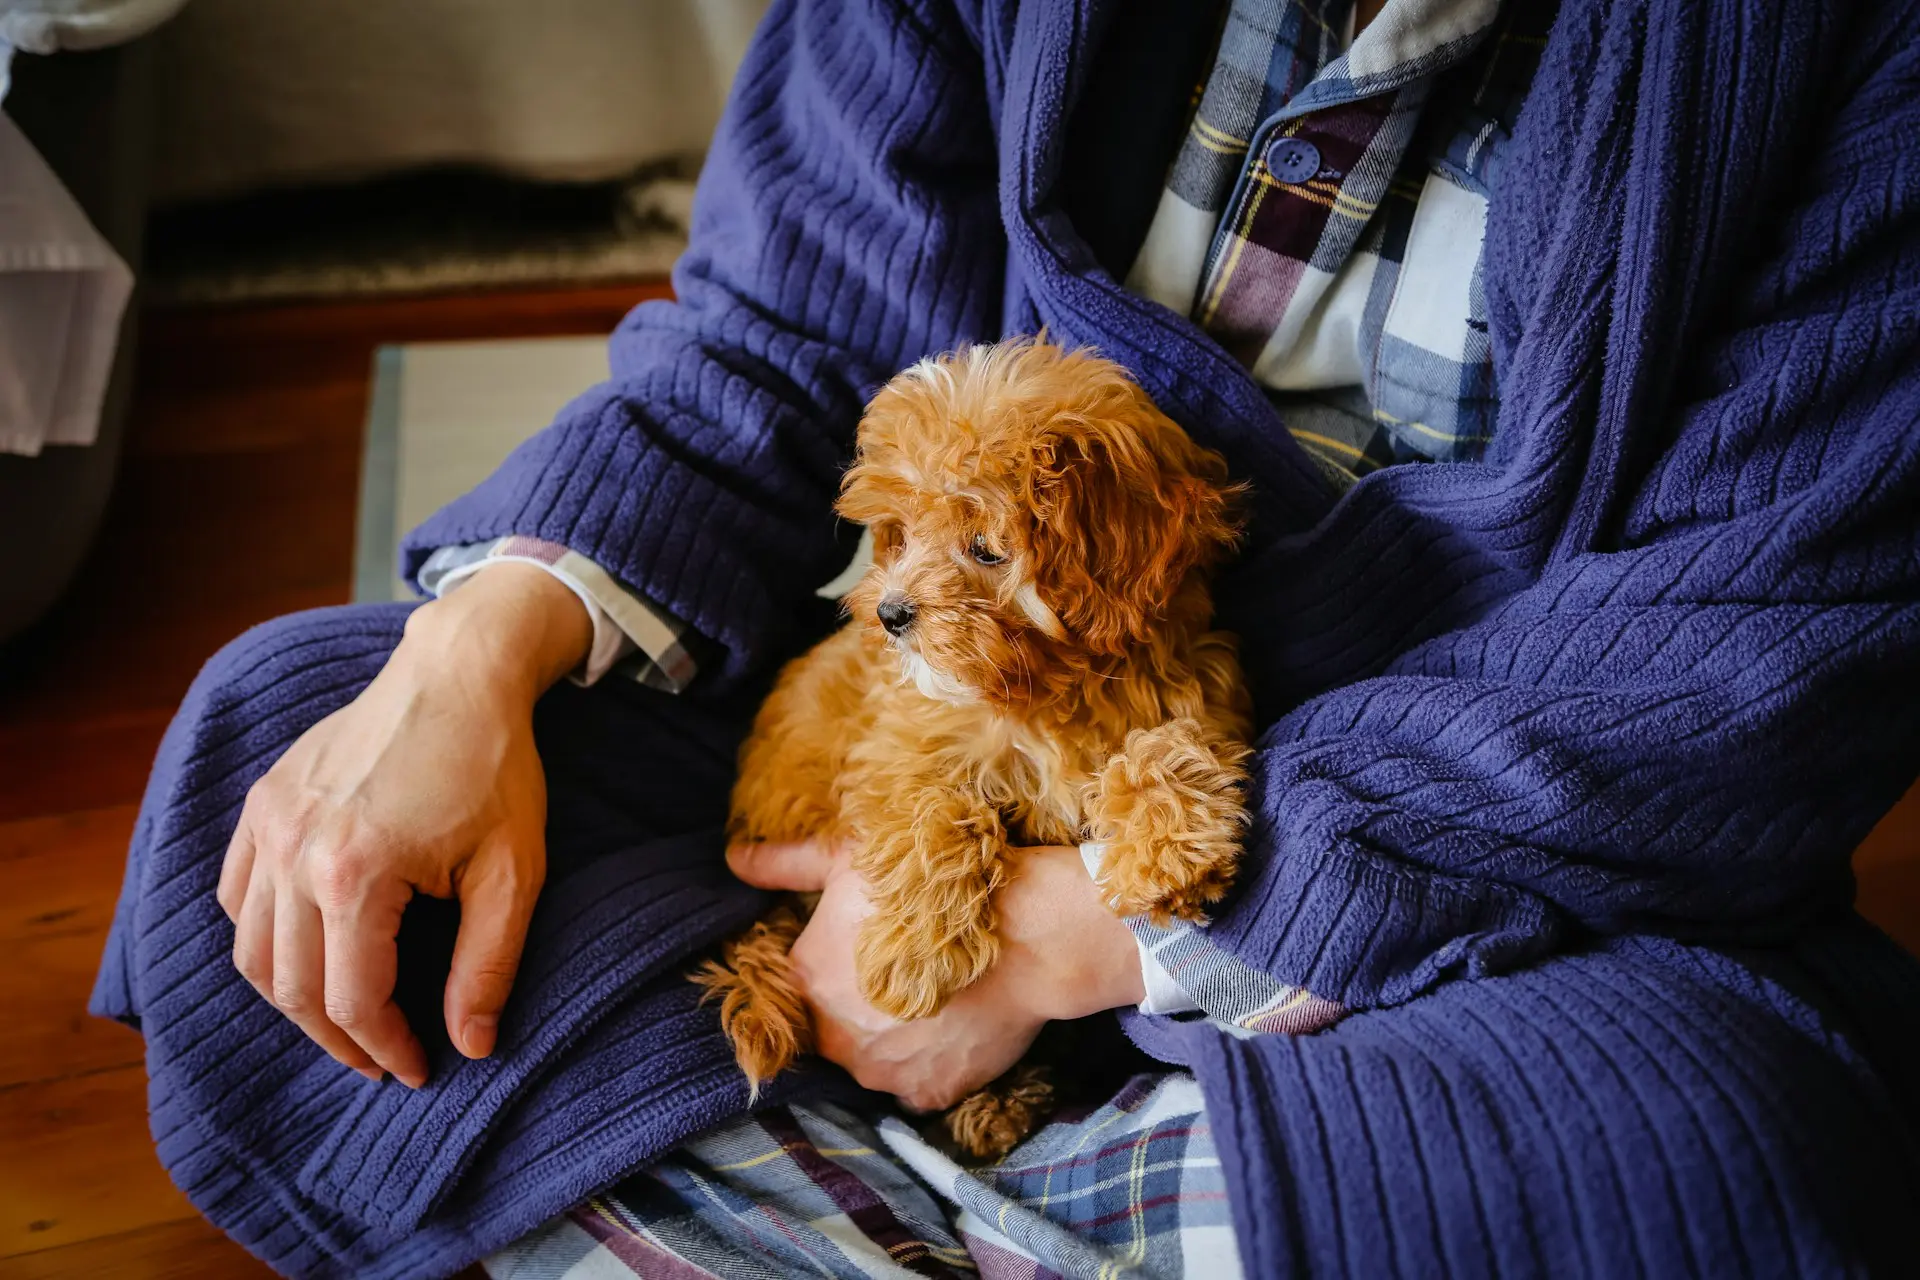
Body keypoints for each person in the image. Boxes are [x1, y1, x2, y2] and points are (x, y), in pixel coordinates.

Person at [93, 0, 1920, 1276]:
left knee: (1691, 1146)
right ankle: (1120, 1207)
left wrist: (1074, 942)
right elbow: (782, 342)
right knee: (287, 764)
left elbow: (1762, 633)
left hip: (1469, 822)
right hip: (933, 729)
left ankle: (769, 1194)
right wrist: (474, 651)